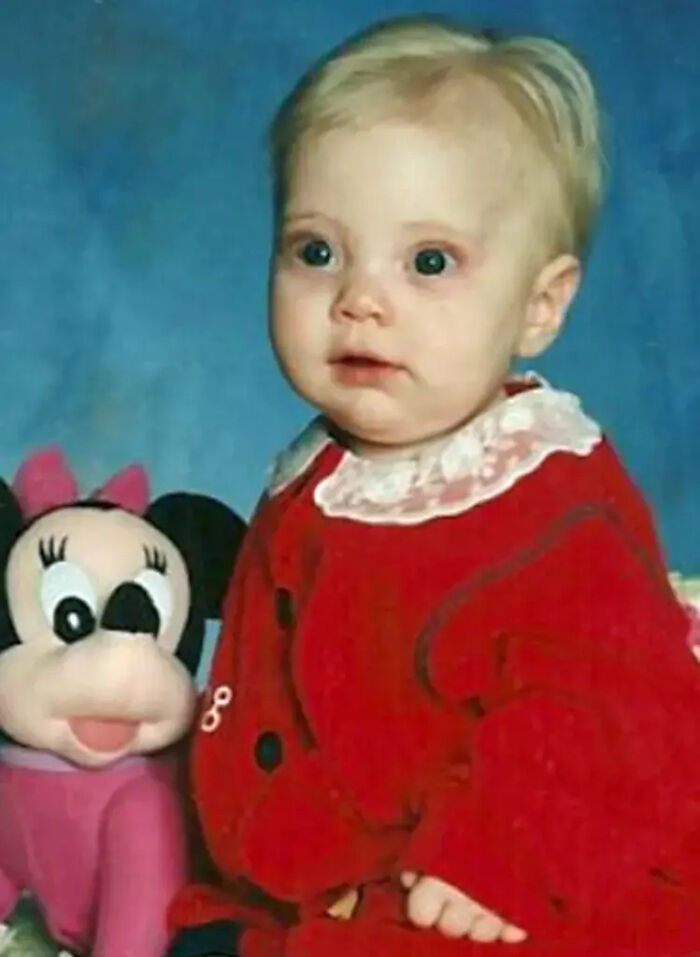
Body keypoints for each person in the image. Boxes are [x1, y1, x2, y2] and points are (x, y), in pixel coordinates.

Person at [167, 15, 700, 957]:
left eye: (428, 262)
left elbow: (616, 710)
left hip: (508, 873)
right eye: (317, 250)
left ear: (541, 304)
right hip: (318, 862)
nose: (359, 298)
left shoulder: (545, 498)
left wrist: (502, 852)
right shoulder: (324, 468)